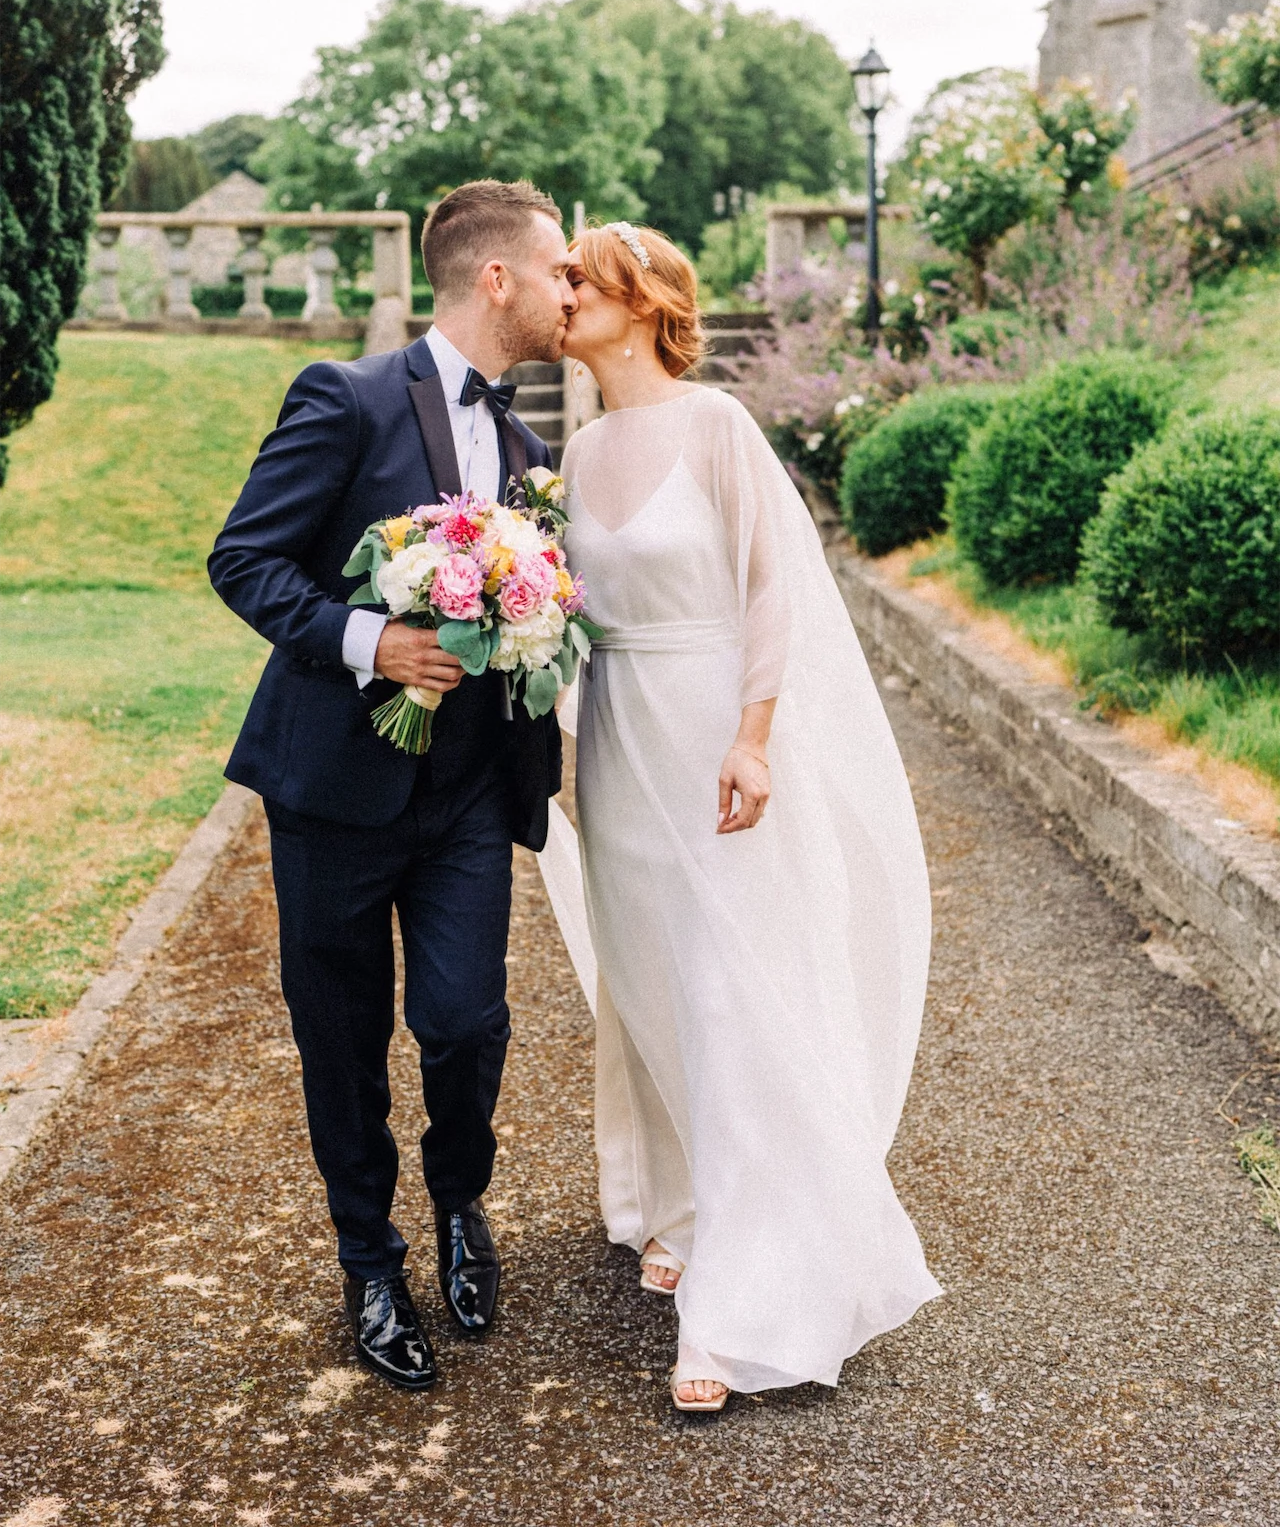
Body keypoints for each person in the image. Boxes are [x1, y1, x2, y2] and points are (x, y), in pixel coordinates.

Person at [537, 220, 942, 1415]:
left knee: (728, 986)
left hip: (713, 731)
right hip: (617, 744)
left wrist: (753, 737)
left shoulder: (715, 425)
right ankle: (678, 1202)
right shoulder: (578, 448)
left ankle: (739, 1296)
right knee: (648, 978)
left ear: (641, 300)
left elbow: (772, 586)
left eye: (579, 277)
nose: (561, 291)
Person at [208, 179, 573, 1392]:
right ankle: (369, 1261)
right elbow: (243, 558)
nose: (570, 291)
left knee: (465, 1021)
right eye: (558, 270)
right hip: (332, 795)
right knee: (343, 1040)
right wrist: (373, 641)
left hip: (467, 798)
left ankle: (462, 1203)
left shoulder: (528, 455)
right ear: (495, 278)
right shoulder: (347, 396)